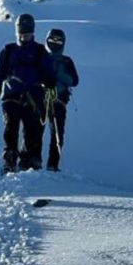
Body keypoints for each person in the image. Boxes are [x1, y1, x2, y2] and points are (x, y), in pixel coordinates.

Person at [0, 12, 56, 172]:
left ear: (33, 32)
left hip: (34, 97)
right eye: (22, 34)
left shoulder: (40, 52)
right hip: (11, 97)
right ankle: (10, 159)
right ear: (17, 33)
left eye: (28, 34)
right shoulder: (8, 51)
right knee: (11, 128)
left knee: (33, 130)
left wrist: (50, 82)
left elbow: (49, 73)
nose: (25, 37)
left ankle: (30, 160)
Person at [43, 28, 79, 171]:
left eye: (58, 40)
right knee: (34, 131)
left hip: (58, 102)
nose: (55, 43)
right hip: (41, 99)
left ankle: (53, 164)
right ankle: (34, 160)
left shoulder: (67, 61)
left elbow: (75, 80)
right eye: (52, 40)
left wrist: (56, 74)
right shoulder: (41, 57)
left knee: (57, 133)